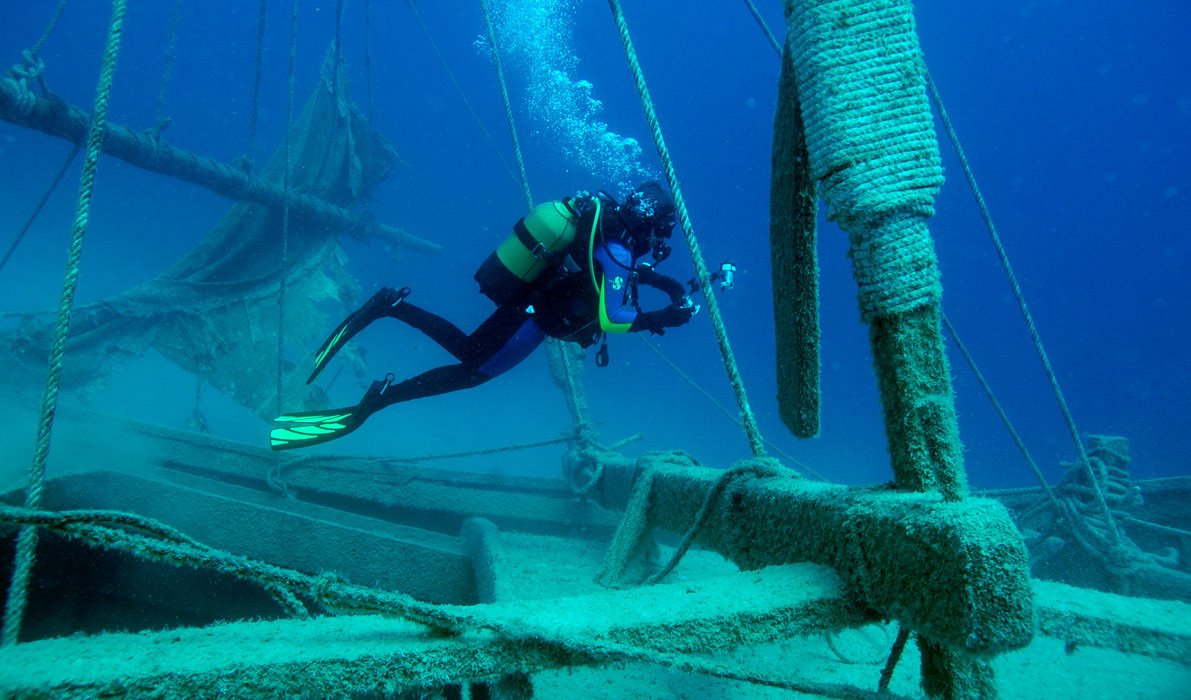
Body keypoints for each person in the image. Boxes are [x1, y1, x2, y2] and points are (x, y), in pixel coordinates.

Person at [270, 180, 696, 450]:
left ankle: (391, 313)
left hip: (530, 303)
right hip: (534, 320)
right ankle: (383, 386)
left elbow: (605, 272)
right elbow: (612, 318)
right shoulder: (618, 249)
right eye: (663, 230)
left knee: (470, 354)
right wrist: (663, 319)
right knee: (473, 370)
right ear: (650, 224)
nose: (662, 239)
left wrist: (656, 284)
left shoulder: (605, 232)